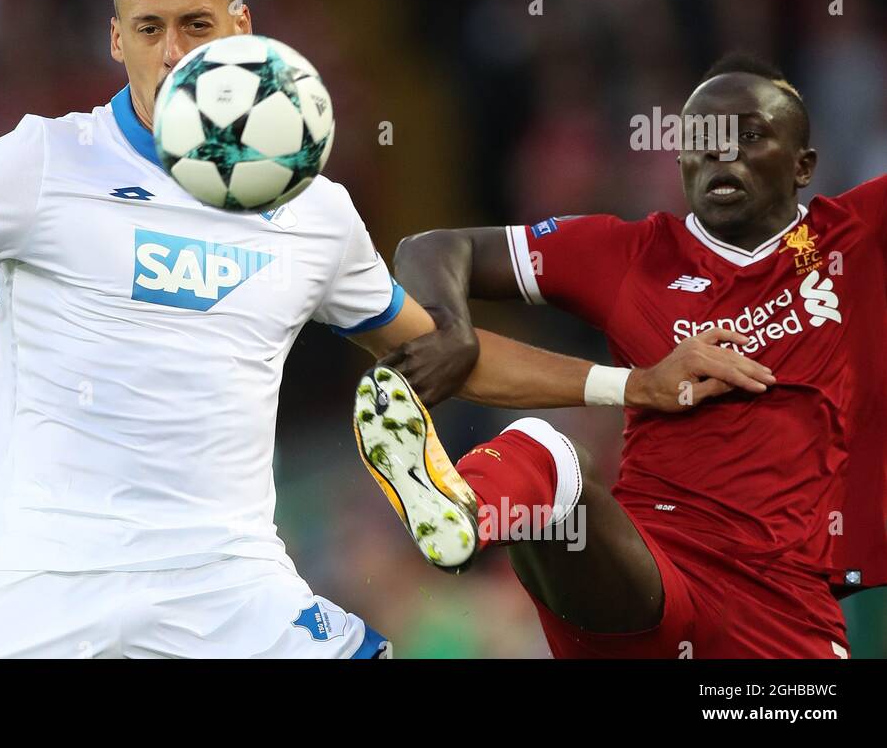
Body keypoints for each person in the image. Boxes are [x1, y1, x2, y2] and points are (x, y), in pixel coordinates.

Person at [0, 0, 759, 658]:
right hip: (42, 578)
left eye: (196, 24)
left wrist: (631, 387)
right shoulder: (44, 161)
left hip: (227, 578)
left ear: (240, 28)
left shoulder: (313, 207)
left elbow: (440, 350)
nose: (173, 50)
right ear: (115, 38)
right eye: (148, 28)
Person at [364, 53, 886, 658]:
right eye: (701, 139)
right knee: (551, 455)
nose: (721, 152)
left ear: (803, 165)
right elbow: (433, 248)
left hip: (786, 606)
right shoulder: (633, 253)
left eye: (748, 135)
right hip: (650, 575)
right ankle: (458, 506)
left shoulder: (852, 238)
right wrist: (453, 325)